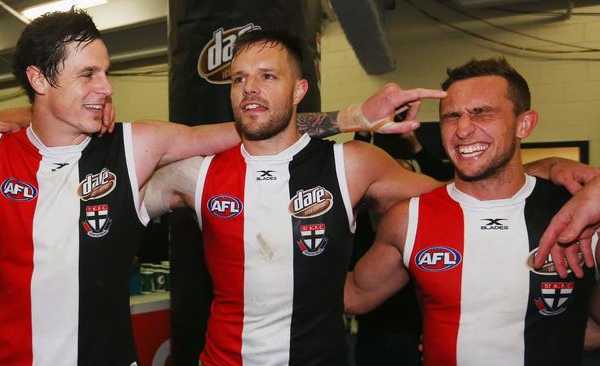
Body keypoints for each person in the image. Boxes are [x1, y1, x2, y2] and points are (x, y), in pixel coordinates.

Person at [0, 10, 447, 366]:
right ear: (39, 79)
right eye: (88, 74)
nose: (106, 87)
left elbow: (249, 128)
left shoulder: (137, 145)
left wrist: (351, 117)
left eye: (106, 71)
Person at [143, 33, 593, 365]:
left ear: (299, 90)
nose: (251, 88)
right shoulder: (194, 174)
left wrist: (543, 171)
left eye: (267, 76)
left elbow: (470, 197)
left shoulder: (353, 164)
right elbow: (131, 180)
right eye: (239, 79)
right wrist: (350, 115)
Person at [344, 58, 599, 366]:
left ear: (524, 124)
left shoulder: (577, 215)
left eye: (482, 113)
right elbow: (354, 295)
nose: (462, 130)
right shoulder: (410, 218)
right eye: (451, 116)